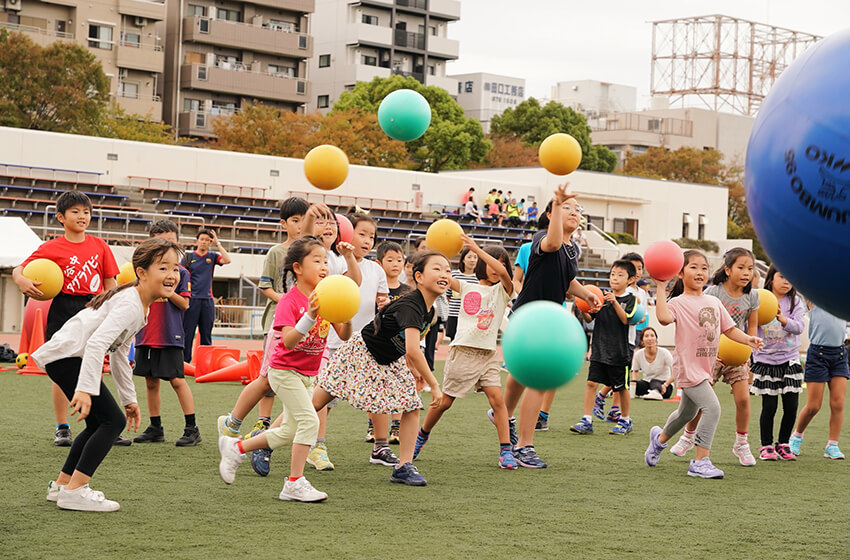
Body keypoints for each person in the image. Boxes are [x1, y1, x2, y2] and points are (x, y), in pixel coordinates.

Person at [35, 237, 181, 511]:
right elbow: (96, 344)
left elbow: (119, 355)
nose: (172, 275)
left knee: (98, 424)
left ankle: (63, 485)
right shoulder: (130, 304)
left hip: (66, 358)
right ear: (142, 272)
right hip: (68, 357)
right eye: (163, 268)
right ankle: (76, 491)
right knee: (112, 423)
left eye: (175, 268)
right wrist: (85, 389)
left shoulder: (140, 306)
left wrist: (129, 399)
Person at [217, 237, 352, 502]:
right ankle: (293, 483)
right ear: (298, 268)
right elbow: (289, 340)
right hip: (284, 371)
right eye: (317, 260)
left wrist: (346, 312)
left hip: (307, 374)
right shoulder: (291, 301)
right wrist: (310, 316)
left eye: (326, 261)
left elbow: (344, 334)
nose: (324, 266)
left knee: (289, 431)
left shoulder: (327, 297)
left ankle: (236, 446)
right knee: (309, 421)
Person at [313, 252, 448, 486]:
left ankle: (404, 466)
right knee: (313, 404)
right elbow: (415, 350)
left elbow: (406, 345)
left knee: (411, 405)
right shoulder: (411, 305)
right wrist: (434, 385)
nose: (444, 273)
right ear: (419, 277)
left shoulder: (430, 310)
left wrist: (412, 367)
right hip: (361, 353)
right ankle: (264, 442)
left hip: (388, 359)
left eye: (447, 269)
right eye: (436, 268)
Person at [495, 185, 602, 469]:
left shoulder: (572, 248)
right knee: (538, 379)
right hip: (531, 318)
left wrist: (585, 294)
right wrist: (558, 202)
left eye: (578, 209)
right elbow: (552, 245)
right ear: (551, 213)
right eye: (568, 207)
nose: (575, 212)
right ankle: (523, 445)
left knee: (520, 374)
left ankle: (502, 414)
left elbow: (566, 282)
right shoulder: (542, 237)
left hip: (547, 319)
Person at [13, 191, 120, 446]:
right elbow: (20, 268)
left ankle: (102, 422)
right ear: (61, 217)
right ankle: (63, 427)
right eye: (75, 211)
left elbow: (110, 284)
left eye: (86, 211)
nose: (82, 216)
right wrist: (20, 279)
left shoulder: (100, 246)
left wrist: (111, 314)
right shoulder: (51, 247)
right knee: (61, 367)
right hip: (63, 307)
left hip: (94, 307)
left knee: (93, 364)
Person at [644, 250, 762, 479]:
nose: (700, 272)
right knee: (712, 408)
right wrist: (660, 287)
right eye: (693, 267)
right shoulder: (678, 302)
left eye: (704, 268)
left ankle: (658, 441)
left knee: (685, 413)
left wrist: (748, 339)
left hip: (704, 368)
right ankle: (700, 461)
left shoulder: (713, 301)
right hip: (688, 368)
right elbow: (663, 318)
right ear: (680, 273)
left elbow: (728, 329)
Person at [414, 237, 517, 469]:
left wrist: (478, 250)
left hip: (488, 355)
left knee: (498, 402)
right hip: (463, 353)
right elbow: (442, 278)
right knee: (444, 403)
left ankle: (505, 450)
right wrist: (439, 258)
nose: (494, 267)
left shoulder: (503, 290)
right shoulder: (467, 286)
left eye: (500, 262)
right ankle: (422, 435)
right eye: (490, 262)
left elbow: (503, 272)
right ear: (481, 264)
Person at [132, 220, 201, 446]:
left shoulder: (181, 273)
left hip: (170, 334)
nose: (166, 247)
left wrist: (168, 290)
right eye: (160, 243)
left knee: (177, 380)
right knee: (151, 381)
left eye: (171, 242)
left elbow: (184, 305)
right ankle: (155, 427)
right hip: (145, 333)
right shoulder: (143, 272)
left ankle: (192, 428)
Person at [570, 260, 637, 436]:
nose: (614, 278)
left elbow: (626, 319)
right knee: (591, 383)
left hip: (619, 353)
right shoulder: (601, 297)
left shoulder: (630, 299)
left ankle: (625, 420)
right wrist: (582, 307)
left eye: (620, 275)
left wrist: (614, 302)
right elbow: (589, 319)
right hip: (599, 350)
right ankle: (586, 419)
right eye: (613, 274)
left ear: (629, 280)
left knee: (621, 388)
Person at [751, 265, 804, 461]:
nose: (786, 281)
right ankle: (766, 446)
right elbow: (752, 326)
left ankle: (783, 444)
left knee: (791, 406)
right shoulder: (760, 299)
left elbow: (799, 327)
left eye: (789, 277)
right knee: (770, 407)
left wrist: (781, 318)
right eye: (782, 276)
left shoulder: (795, 302)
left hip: (789, 360)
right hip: (766, 361)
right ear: (771, 278)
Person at [788, 302, 850, 459]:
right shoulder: (815, 299)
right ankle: (796, 436)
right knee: (813, 406)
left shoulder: (841, 300)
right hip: (818, 355)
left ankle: (832, 445)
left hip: (839, 355)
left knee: (838, 403)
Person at [181, 229, 231, 362]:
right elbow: (181, 277)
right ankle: (185, 362)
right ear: (197, 241)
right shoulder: (188, 257)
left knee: (206, 334)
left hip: (207, 301)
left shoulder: (213, 257)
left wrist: (217, 243)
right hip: (192, 300)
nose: (204, 242)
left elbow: (227, 260)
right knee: (188, 333)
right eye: (202, 239)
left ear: (210, 243)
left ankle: (205, 363)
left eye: (207, 240)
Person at [631, 327, 674, 400]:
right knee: (631, 383)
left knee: (654, 381)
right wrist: (634, 384)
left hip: (664, 386)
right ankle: (613, 392)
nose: (650, 339)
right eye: (646, 336)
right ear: (642, 341)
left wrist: (666, 384)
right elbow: (635, 371)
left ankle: (656, 393)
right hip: (647, 384)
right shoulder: (638, 354)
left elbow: (676, 371)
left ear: (656, 339)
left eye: (652, 336)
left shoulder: (664, 353)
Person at [445, 246, 478, 341]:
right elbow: (448, 295)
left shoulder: (479, 278)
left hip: (471, 317)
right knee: (454, 342)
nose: (472, 260)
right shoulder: (454, 275)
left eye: (475, 257)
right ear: (463, 259)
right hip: (454, 315)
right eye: (469, 257)